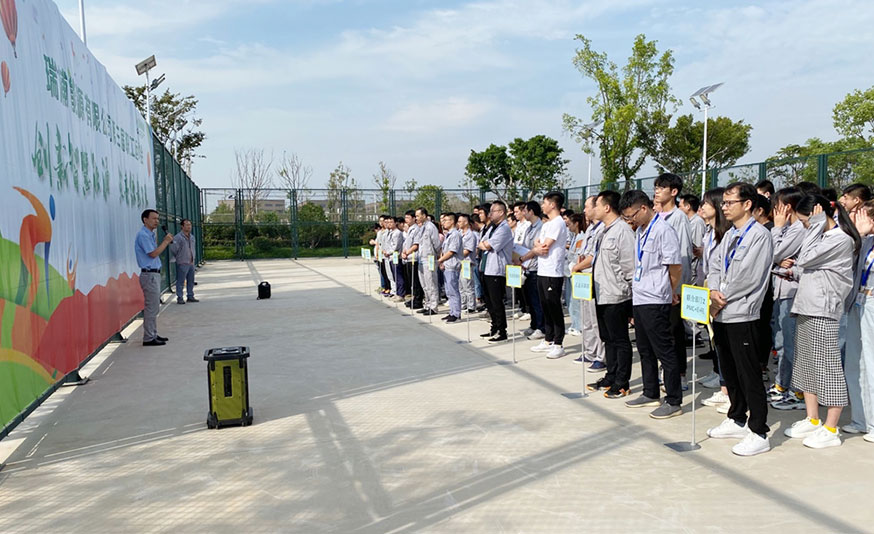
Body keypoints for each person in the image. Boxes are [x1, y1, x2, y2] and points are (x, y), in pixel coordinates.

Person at [782, 195, 859, 449]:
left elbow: (805, 257)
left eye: (806, 221)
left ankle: (831, 427)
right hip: (807, 305)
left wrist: (814, 225)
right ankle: (813, 418)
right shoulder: (823, 236)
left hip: (823, 309)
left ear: (818, 215)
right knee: (806, 365)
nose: (806, 226)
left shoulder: (840, 239)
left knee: (827, 367)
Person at [705, 182, 774, 456]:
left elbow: (749, 276)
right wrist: (713, 291)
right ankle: (736, 417)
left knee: (748, 373)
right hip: (721, 312)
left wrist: (722, 296)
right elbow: (714, 264)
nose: (724, 207)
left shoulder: (759, 236)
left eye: (729, 202)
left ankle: (759, 430)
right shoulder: (730, 234)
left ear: (747, 204)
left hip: (742, 313)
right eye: (723, 202)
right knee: (729, 369)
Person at [619, 190, 684, 419]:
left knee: (664, 350)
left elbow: (675, 267)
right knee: (645, 349)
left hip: (656, 298)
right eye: (627, 218)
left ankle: (673, 400)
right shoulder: (641, 231)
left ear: (644, 208)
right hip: (640, 296)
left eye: (632, 216)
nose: (630, 221)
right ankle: (650, 392)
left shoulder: (663, 230)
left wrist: (669, 290)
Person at [579, 191, 635, 398]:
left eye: (596, 205)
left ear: (607, 207)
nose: (592, 209)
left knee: (620, 340)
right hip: (601, 292)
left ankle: (622, 382)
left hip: (617, 294)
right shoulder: (603, 230)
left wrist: (632, 301)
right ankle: (610, 376)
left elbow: (630, 267)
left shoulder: (623, 231)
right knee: (607, 338)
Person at [653, 173, 694, 390]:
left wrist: (676, 288)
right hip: (657, 285)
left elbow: (683, 255)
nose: (657, 191)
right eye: (656, 187)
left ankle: (679, 374)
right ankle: (666, 371)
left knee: (674, 331)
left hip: (672, 286)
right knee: (662, 331)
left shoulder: (678, 218)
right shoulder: (656, 217)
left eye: (662, 187)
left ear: (674, 192)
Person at [768, 187, 807, 410]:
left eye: (777, 205)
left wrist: (777, 228)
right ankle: (783, 384)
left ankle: (798, 391)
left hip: (793, 292)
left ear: (787, 207)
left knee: (792, 345)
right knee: (782, 342)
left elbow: (771, 252)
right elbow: (775, 257)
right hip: (782, 291)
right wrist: (776, 262)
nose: (774, 209)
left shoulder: (798, 228)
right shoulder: (789, 228)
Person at [520, 191, 568, 359]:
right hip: (542, 270)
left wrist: (537, 247)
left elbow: (544, 247)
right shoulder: (547, 224)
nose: (542, 206)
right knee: (545, 306)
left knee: (554, 307)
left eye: (544, 203)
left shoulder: (558, 223)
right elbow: (537, 244)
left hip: (553, 272)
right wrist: (537, 247)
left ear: (553, 205)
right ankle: (548, 339)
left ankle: (558, 343)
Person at [697, 188, 733, 408]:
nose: (702, 207)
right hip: (708, 288)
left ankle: (729, 389)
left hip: (721, 293)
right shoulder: (709, 232)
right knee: (715, 340)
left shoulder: (725, 234)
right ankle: (723, 385)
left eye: (706, 203)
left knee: (724, 343)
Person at [845, 201, 874, 442]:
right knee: (855, 362)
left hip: (872, 302)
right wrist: (861, 237)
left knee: (871, 363)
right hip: (858, 301)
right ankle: (860, 418)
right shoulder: (865, 242)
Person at [135, 209, 175, 346]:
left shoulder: (150, 234)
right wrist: (166, 242)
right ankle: (149, 337)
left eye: (157, 218)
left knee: (154, 307)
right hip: (149, 274)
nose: (156, 221)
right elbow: (152, 253)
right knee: (151, 307)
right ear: (145, 220)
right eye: (154, 218)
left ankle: (153, 333)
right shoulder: (143, 235)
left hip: (153, 274)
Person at [478, 201, 514, 343]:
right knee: (489, 301)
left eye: (493, 211)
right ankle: (494, 327)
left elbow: (488, 245)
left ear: (501, 212)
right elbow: (481, 243)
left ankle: (502, 331)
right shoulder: (492, 228)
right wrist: (484, 245)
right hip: (486, 268)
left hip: (496, 270)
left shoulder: (504, 229)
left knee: (496, 301)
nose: (490, 214)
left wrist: (485, 245)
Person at [519, 201, 545, 340]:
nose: (523, 213)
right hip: (527, 267)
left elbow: (536, 249)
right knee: (530, 299)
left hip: (536, 268)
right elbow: (524, 247)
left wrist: (523, 258)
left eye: (525, 211)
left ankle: (541, 327)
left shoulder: (541, 227)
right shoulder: (529, 228)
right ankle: (534, 324)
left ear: (531, 211)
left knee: (537, 301)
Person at [411, 208, 441, 315]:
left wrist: (437, 255)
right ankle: (427, 304)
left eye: (418, 216)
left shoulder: (431, 227)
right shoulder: (421, 228)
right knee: (424, 284)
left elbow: (436, 243)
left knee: (431, 283)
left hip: (429, 258)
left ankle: (433, 306)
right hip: (421, 259)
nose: (416, 218)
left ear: (424, 215)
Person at [438, 213, 463, 323]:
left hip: (453, 266)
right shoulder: (449, 234)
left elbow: (452, 251)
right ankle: (452, 311)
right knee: (449, 291)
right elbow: (444, 250)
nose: (444, 223)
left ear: (452, 221)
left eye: (446, 220)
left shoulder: (455, 235)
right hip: (447, 266)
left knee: (453, 290)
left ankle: (456, 314)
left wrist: (440, 260)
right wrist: (442, 260)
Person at [565, 213, 587, 337]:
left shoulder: (581, 237)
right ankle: (574, 324)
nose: (568, 226)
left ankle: (578, 326)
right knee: (571, 300)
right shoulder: (575, 237)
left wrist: (574, 266)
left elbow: (578, 255)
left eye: (570, 224)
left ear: (576, 223)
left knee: (576, 301)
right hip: (570, 270)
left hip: (576, 270)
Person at [680, 194, 707, 286]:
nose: (679, 209)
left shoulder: (697, 222)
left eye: (680, 206)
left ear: (688, 207)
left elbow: (696, 248)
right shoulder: (688, 221)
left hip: (694, 269)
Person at [170, 218, 198, 304]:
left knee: (191, 280)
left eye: (190, 225)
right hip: (182, 262)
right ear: (182, 226)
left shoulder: (192, 237)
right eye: (187, 225)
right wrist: (179, 257)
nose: (189, 227)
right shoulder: (178, 237)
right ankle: (180, 297)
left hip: (191, 262)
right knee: (181, 281)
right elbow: (173, 249)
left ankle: (190, 296)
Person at [402, 210, 424, 309]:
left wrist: (407, 252)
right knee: (411, 281)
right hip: (408, 258)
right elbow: (407, 244)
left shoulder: (416, 229)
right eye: (405, 217)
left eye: (408, 217)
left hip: (414, 258)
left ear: (414, 218)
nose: (406, 219)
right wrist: (404, 252)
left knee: (416, 281)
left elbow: (416, 245)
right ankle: (414, 298)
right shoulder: (410, 229)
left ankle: (418, 300)